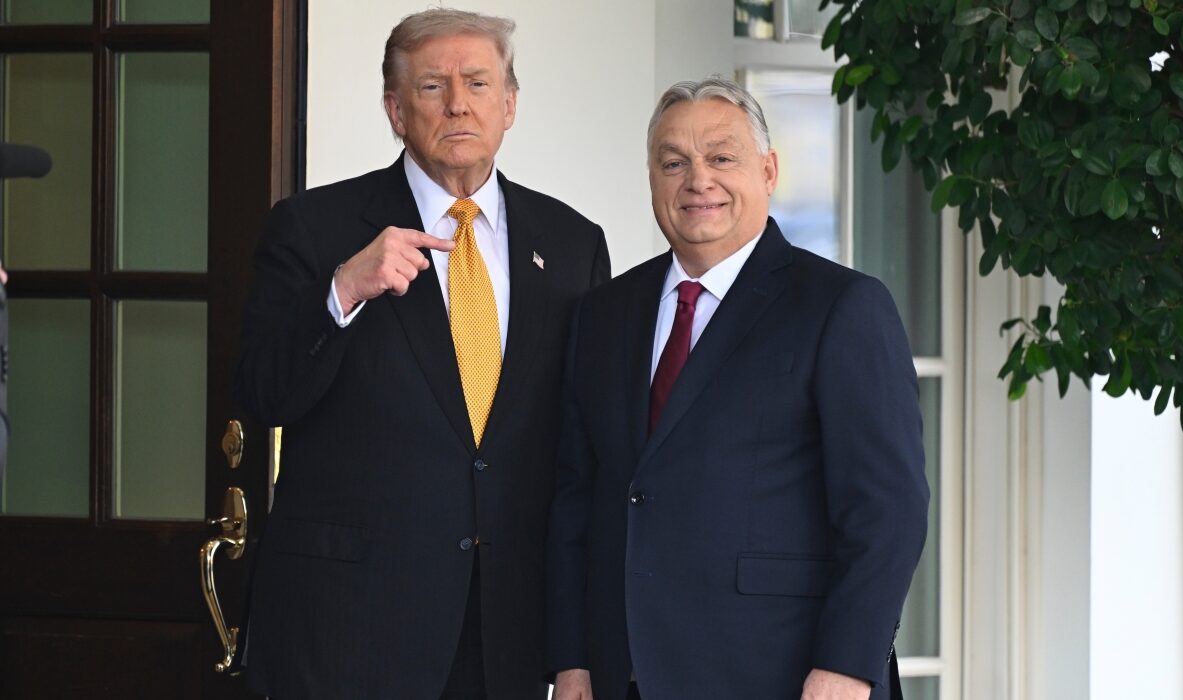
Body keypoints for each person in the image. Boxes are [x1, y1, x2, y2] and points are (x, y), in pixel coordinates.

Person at [236, 9, 610, 699]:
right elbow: (264, 393)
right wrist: (343, 290)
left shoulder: (572, 243)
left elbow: (583, 452)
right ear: (395, 110)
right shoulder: (313, 228)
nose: (459, 104)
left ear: (510, 104)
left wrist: (576, 649)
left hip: (507, 634)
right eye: (433, 86)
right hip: (348, 632)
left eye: (478, 83)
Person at [544, 77, 928, 700]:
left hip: (784, 676)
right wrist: (572, 659)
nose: (698, 180)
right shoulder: (604, 313)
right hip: (624, 675)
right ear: (652, 179)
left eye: (722, 157)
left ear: (768, 170)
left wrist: (848, 665)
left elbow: (888, 510)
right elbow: (575, 501)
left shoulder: (841, 306)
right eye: (674, 163)